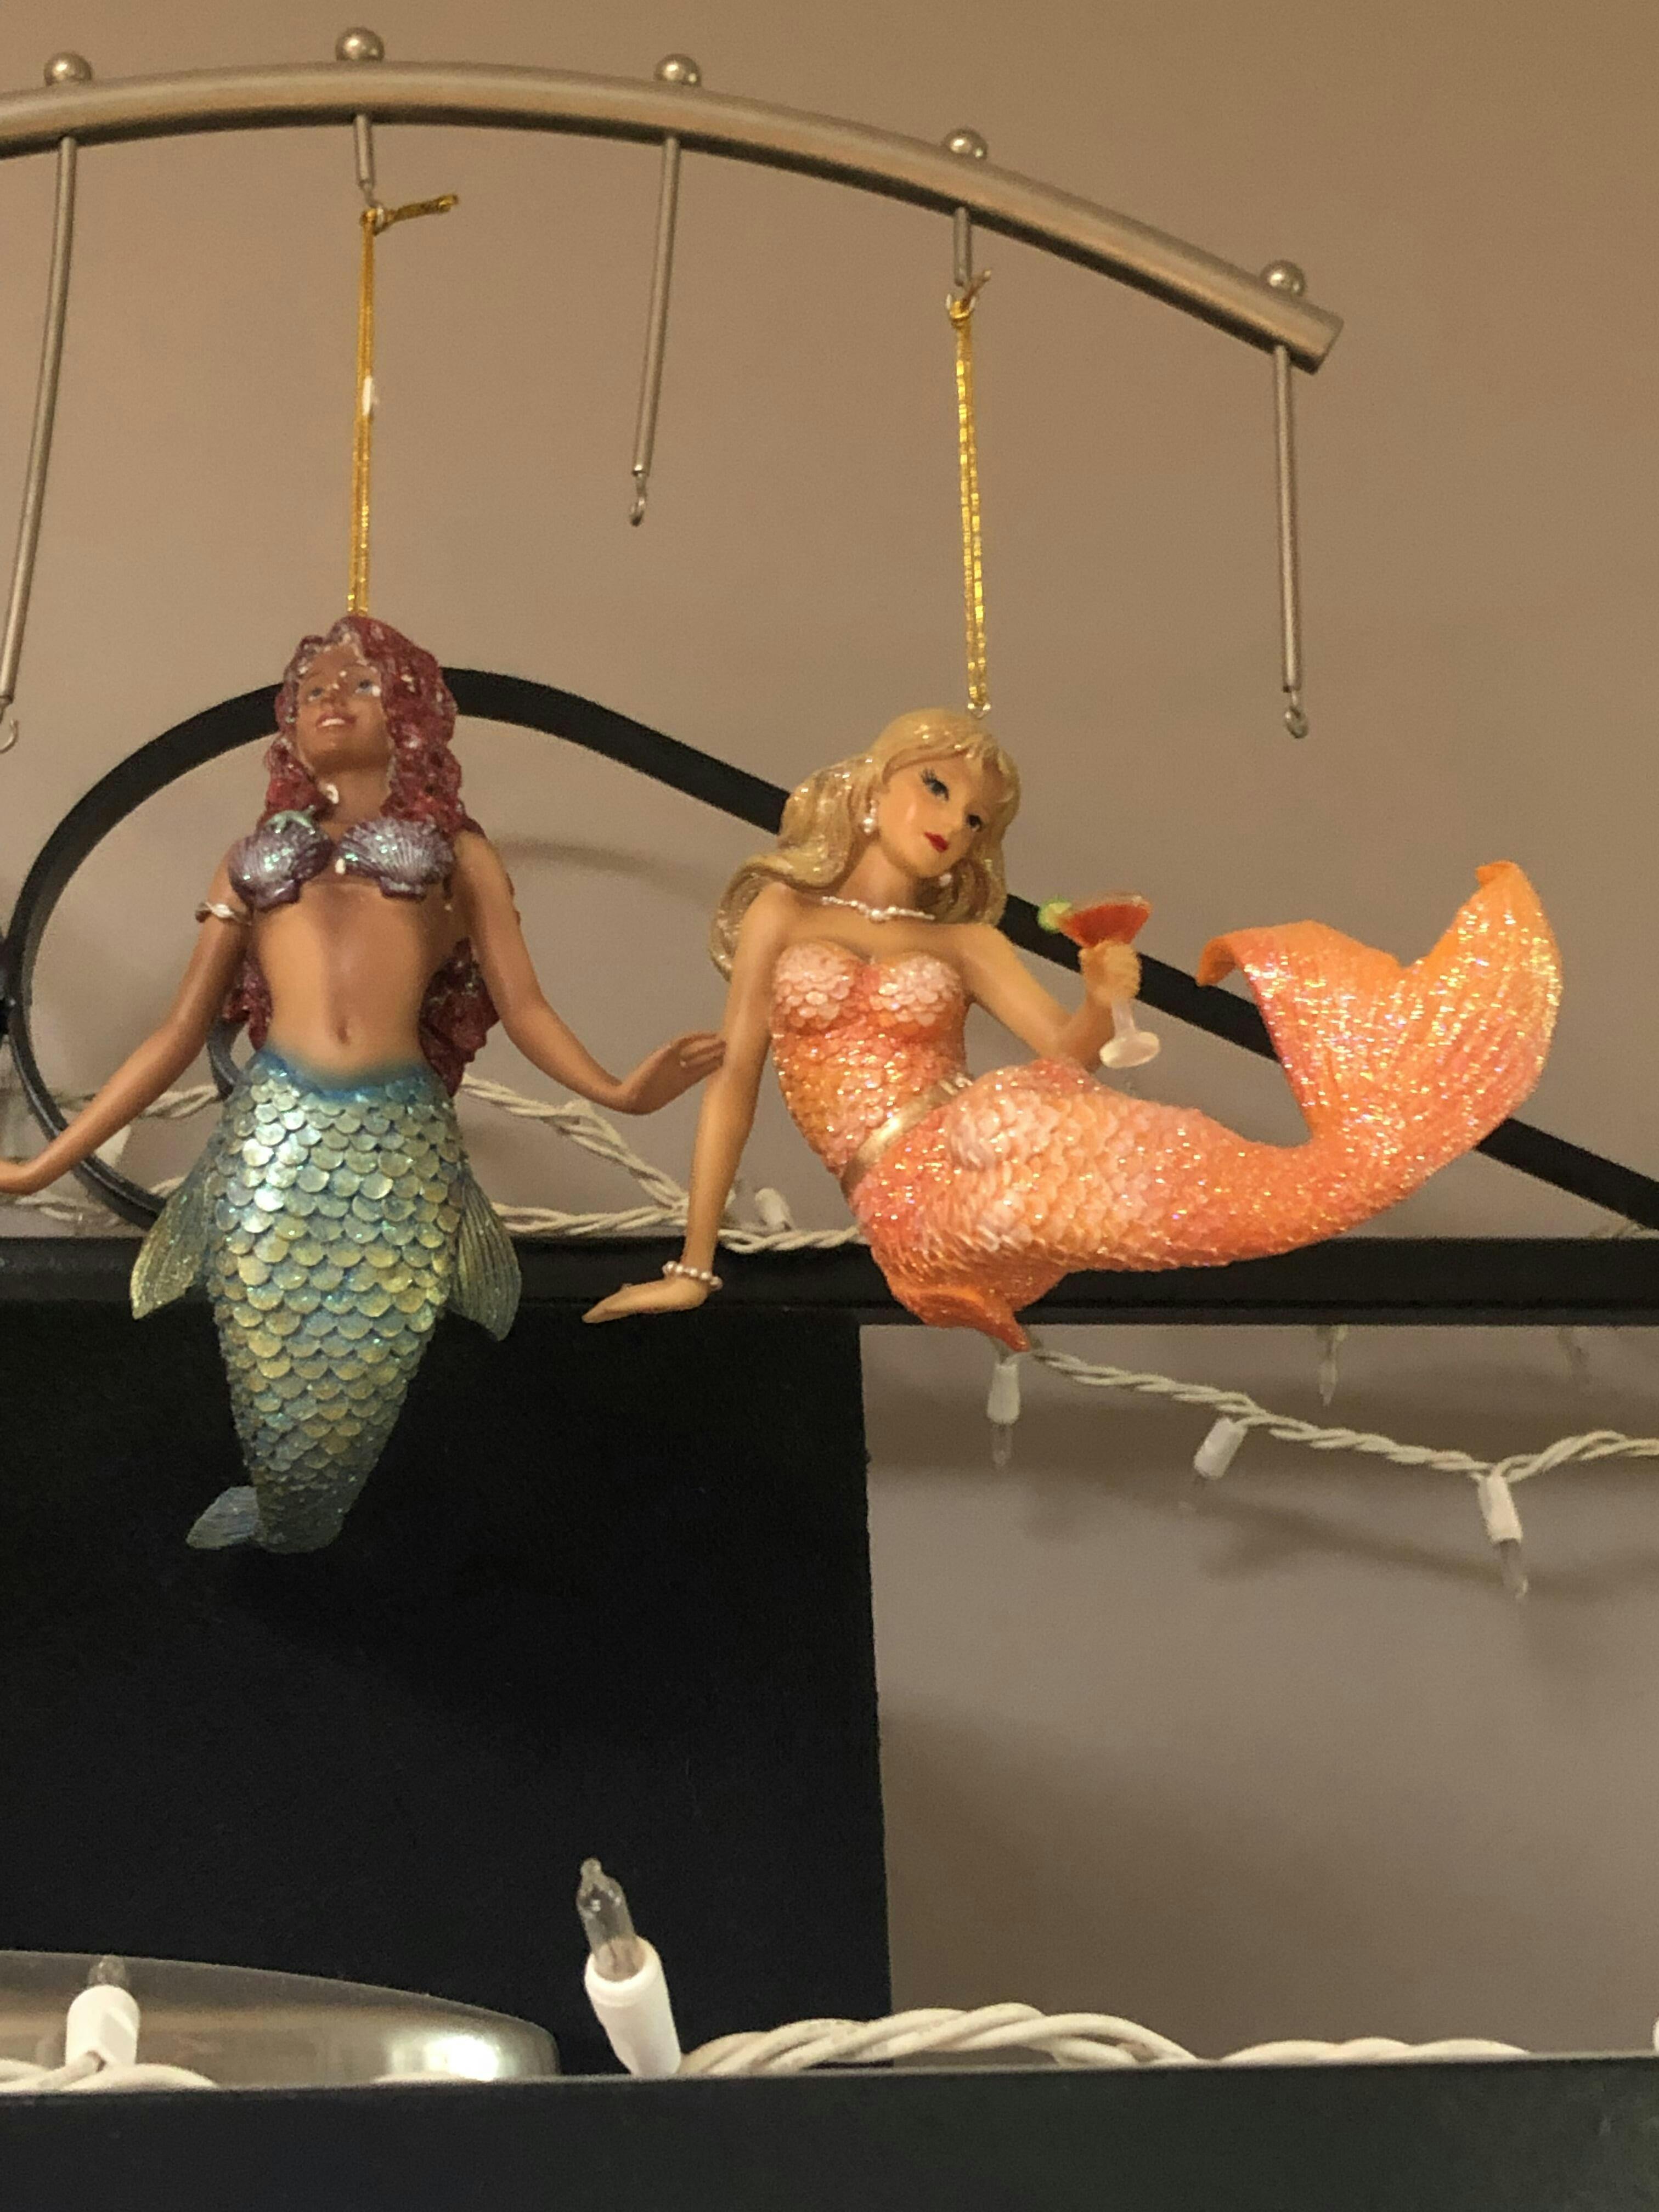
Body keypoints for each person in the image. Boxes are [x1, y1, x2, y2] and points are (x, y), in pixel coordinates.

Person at [0, 614, 723, 1550]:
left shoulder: (460, 854)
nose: (330, 698)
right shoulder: (252, 858)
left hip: (402, 1149)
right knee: (271, 1339)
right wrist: (42, 1167)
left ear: (413, 713)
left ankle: (314, 1512)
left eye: (361, 683)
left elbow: (526, 1008)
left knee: (369, 1345)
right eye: (310, 689)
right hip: (272, 1142)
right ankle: (283, 1509)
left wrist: (622, 1091)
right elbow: (178, 1034)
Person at [584, 706, 1560, 1348]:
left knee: (1037, 1126)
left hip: (970, 1132)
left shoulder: (966, 941)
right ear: (876, 786)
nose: (954, 822)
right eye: (937, 787)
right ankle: (1351, 1165)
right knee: (1013, 1188)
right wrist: (694, 1266)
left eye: (977, 820)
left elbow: (1064, 1054)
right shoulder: (783, 914)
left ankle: (1349, 1166)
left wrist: (1099, 996)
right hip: (901, 1196)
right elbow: (736, 1086)